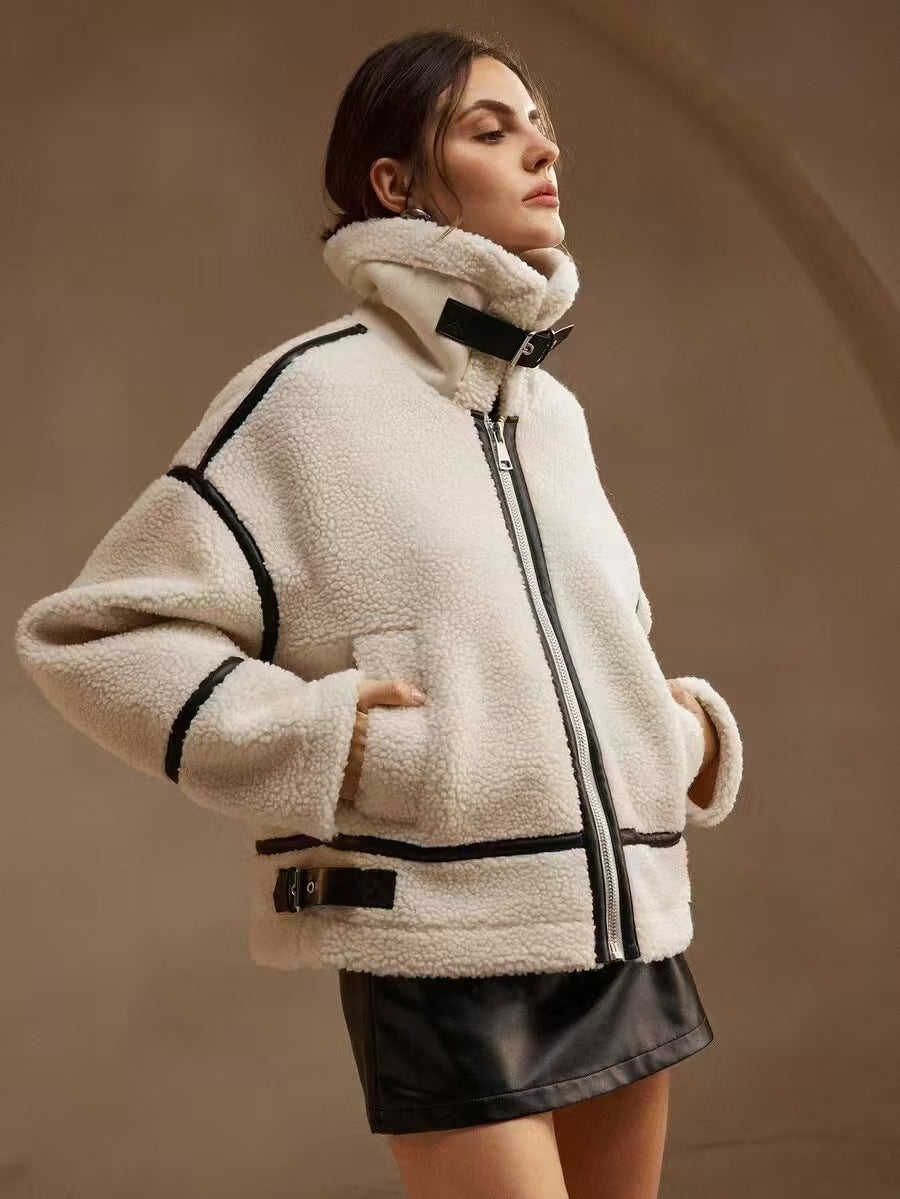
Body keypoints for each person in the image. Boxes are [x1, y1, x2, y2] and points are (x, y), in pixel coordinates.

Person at [14, 27, 744, 1199]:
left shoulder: (552, 415)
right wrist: (332, 741)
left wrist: (672, 735)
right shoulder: (308, 396)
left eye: (541, 125)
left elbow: (600, 639)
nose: (541, 150)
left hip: (627, 925)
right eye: (490, 130)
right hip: (446, 935)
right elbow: (94, 638)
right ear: (395, 184)